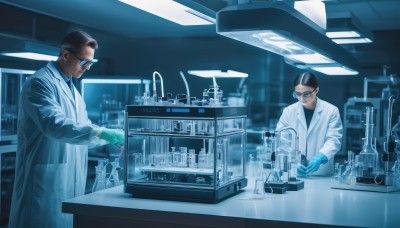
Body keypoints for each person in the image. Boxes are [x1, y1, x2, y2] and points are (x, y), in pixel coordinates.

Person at [9, 30, 124, 228]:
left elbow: (83, 126)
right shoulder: (39, 82)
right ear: (65, 55)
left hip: (69, 180)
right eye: (84, 61)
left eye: (91, 63)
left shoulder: (74, 91)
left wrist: (107, 133)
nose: (87, 67)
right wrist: (101, 133)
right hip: (44, 182)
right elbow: (54, 124)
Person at [276, 72, 343, 176]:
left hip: (322, 174)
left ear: (316, 90)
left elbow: (334, 140)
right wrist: (293, 162)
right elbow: (282, 141)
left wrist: (321, 157)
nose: (302, 99)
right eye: (298, 94)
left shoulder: (331, 111)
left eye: (306, 94)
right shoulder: (288, 112)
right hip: (295, 173)